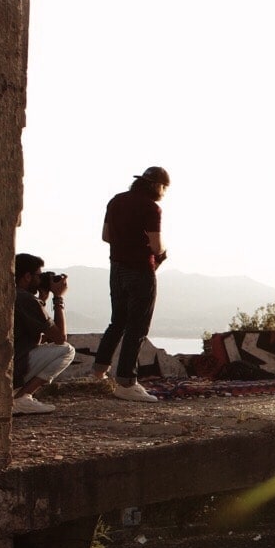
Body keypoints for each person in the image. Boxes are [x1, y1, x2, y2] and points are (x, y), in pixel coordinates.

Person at [91, 166, 169, 402]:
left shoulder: (116, 201)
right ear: (157, 186)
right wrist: (163, 250)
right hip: (140, 270)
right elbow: (156, 247)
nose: (165, 193)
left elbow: (106, 236)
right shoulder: (151, 208)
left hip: (116, 269)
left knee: (118, 322)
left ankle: (98, 372)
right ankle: (126, 382)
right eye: (165, 188)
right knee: (137, 326)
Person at [12, 253, 74, 414]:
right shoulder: (26, 299)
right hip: (16, 364)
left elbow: (37, 338)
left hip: (8, 360)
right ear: (27, 277)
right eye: (39, 276)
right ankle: (21, 398)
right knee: (67, 350)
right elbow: (60, 338)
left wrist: (43, 301)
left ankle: (17, 396)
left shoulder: (11, 294)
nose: (41, 280)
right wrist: (58, 298)